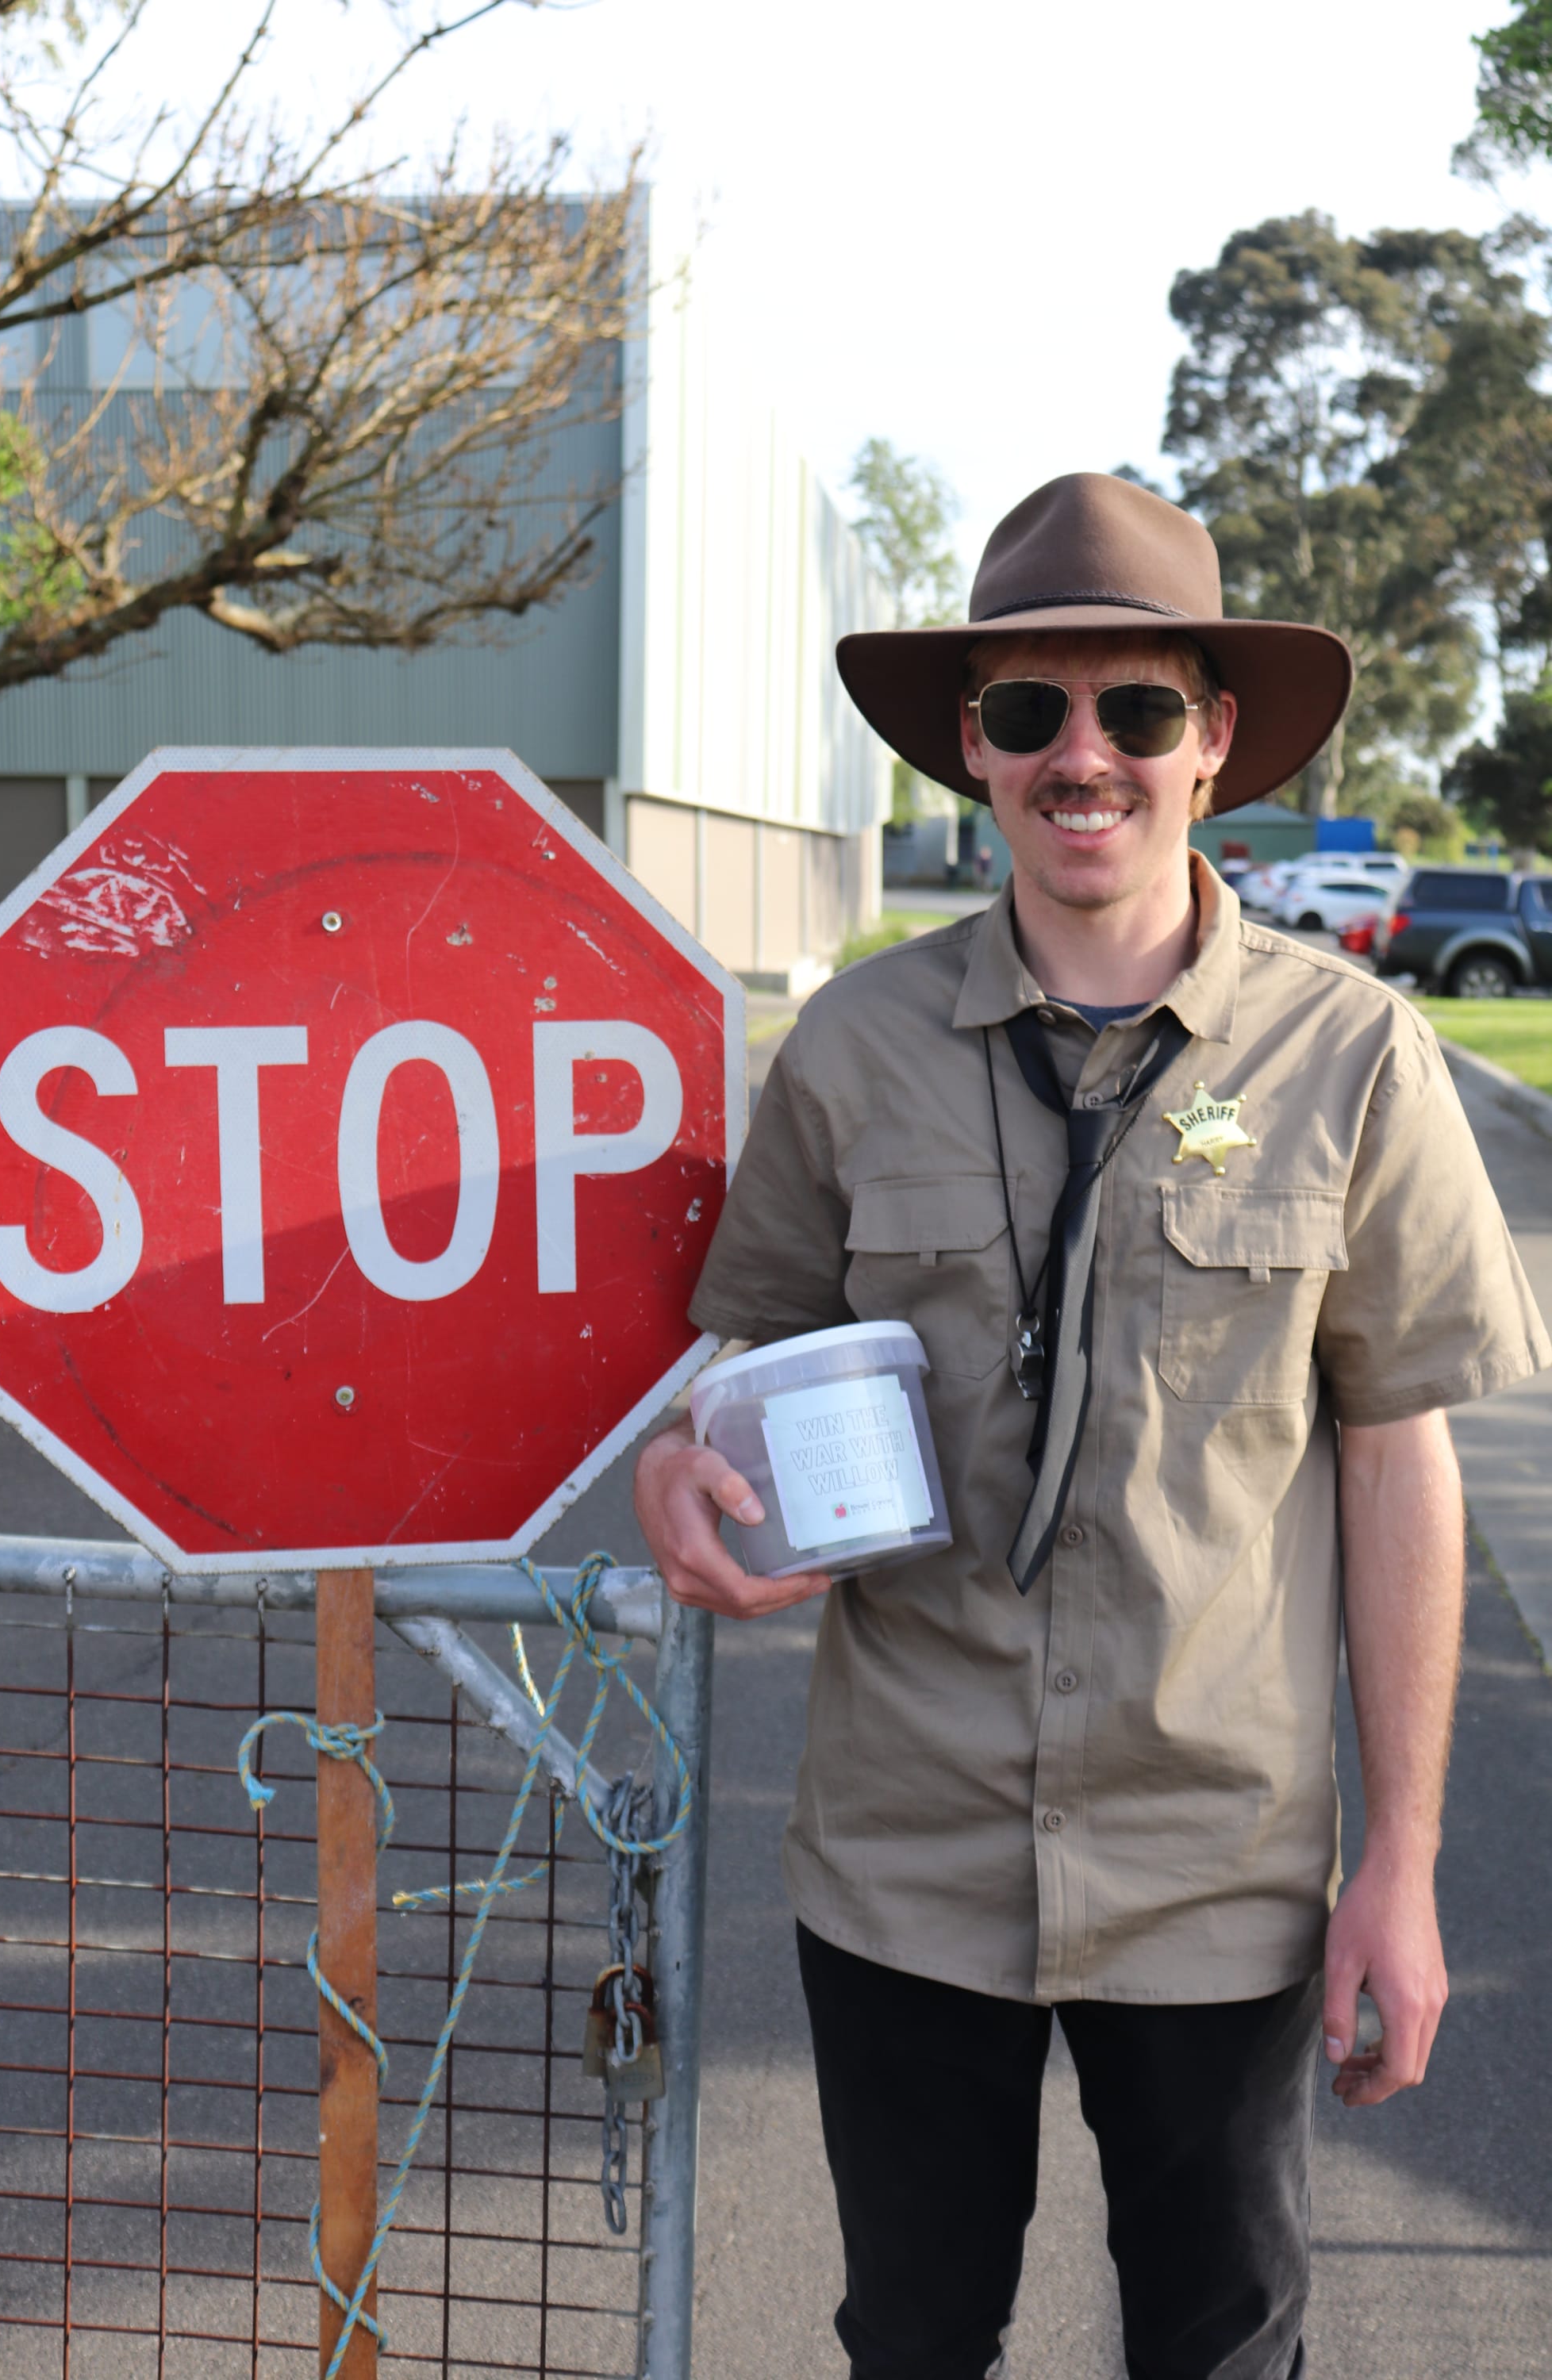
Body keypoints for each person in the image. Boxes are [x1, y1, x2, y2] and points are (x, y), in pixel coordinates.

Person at [633, 474, 1549, 2380]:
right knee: (913, 2340)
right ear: (970, 745)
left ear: (1210, 743)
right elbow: (730, 1372)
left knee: (1218, 2347)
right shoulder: (852, 1050)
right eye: (1032, 712)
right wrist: (680, 1475)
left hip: (1221, 1868)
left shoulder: (1356, 1057)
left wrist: (1400, 1862)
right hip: (904, 1855)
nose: (1083, 757)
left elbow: (1395, 1461)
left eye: (1134, 710)